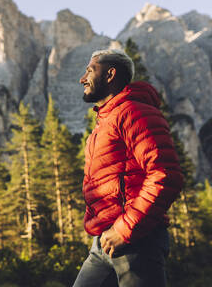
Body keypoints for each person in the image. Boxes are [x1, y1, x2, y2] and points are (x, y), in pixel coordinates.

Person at [73, 49, 184, 287]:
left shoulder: (133, 112)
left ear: (110, 74)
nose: (82, 79)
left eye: (90, 70)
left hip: (137, 240)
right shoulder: (105, 121)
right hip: (104, 242)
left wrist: (125, 230)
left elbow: (165, 175)